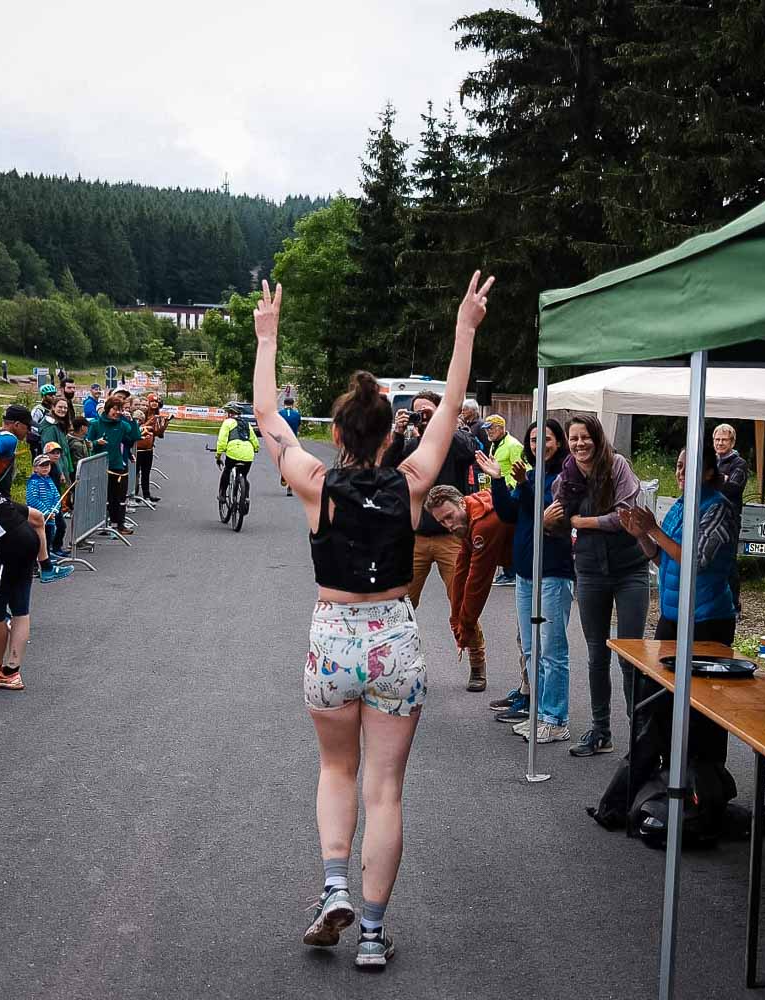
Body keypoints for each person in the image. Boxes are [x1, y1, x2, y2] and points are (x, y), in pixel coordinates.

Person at [252, 271, 493, 966]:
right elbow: (451, 405)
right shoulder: (414, 482)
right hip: (392, 639)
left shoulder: (312, 481)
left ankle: (333, 886)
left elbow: (268, 419)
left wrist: (267, 339)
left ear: (337, 434)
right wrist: (464, 330)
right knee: (385, 790)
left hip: (332, 640)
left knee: (337, 771)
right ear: (391, 437)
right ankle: (376, 934)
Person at [620, 444, 738, 794]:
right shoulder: (681, 505)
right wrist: (641, 535)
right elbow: (662, 558)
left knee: (704, 708)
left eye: (689, 466)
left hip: (707, 620)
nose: (681, 471)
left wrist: (654, 530)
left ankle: (706, 783)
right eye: (678, 464)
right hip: (673, 615)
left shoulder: (718, 508)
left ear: (708, 472)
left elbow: (696, 560)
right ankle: (669, 772)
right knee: (662, 698)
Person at [553, 413, 650, 758]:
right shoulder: (565, 478)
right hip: (591, 570)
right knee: (596, 654)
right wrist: (562, 522)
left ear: (597, 436)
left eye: (585, 437)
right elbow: (559, 519)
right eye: (574, 438)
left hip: (630, 570)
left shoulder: (618, 466)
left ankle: (641, 737)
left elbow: (624, 517)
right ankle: (601, 731)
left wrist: (581, 521)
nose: (580, 444)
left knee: (629, 655)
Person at [477, 418, 575, 744]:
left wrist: (527, 486)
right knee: (532, 648)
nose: (539, 445)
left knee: (552, 649)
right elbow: (509, 513)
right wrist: (498, 481)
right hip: (525, 572)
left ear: (558, 442)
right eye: (534, 440)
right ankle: (539, 713)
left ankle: (555, 718)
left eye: (546, 439)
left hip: (552, 572)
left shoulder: (564, 478)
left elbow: (549, 514)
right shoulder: (530, 475)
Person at [382, 389, 478, 655]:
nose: (422, 417)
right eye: (418, 412)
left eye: (428, 411)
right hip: (416, 538)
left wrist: (441, 422)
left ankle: (476, 660)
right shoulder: (413, 447)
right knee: (401, 604)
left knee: (462, 603)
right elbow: (387, 471)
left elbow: (470, 450)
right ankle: (397, 659)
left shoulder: (454, 442)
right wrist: (399, 434)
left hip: (451, 537)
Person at [0, 465, 72, 690]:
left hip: (10, 545)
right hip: (27, 540)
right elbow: (35, 516)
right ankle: (11, 671)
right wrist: (45, 563)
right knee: (20, 609)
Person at [424, 484, 514, 692]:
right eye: (442, 522)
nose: (448, 525)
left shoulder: (484, 523)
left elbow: (477, 583)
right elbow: (461, 571)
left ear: (461, 503)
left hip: (541, 569)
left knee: (532, 640)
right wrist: (455, 620)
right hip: (526, 567)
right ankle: (526, 693)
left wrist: (464, 629)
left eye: (449, 516)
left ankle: (534, 701)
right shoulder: (468, 515)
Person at [86, 395, 142, 535]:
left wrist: (132, 421)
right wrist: (96, 443)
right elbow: (87, 444)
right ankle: (102, 524)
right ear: (108, 409)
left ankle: (119, 524)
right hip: (100, 466)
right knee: (103, 496)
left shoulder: (122, 425)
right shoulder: (96, 424)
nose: (118, 412)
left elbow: (134, 438)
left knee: (119, 497)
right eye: (115, 409)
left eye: (120, 410)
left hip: (118, 466)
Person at [483, 414, 524, 586]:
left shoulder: (513, 445)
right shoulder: (495, 445)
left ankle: (512, 572)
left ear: (501, 428)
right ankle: (507, 570)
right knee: (502, 532)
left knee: (509, 533)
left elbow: (523, 468)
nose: (488, 432)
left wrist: (511, 487)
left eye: (491, 428)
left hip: (510, 495)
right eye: (486, 429)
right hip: (497, 493)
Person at [713, 422, 747, 614]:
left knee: (729, 562)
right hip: (711, 517)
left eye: (724, 440)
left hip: (730, 519)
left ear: (732, 442)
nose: (720, 443)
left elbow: (734, 488)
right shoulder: (712, 460)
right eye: (717, 439)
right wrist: (721, 479)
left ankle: (734, 605)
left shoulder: (739, 463)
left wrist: (718, 480)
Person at [216, 402, 259, 504]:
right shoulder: (246, 423)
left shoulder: (227, 423)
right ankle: (245, 498)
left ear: (229, 414)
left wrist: (218, 455)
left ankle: (222, 495)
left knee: (227, 470)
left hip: (233, 452)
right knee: (243, 475)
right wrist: (256, 448)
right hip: (248, 454)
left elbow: (222, 441)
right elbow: (254, 440)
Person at [26, 454, 64, 556]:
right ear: (35, 468)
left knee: (49, 535)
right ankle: (41, 558)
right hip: (39, 517)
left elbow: (57, 497)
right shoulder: (33, 482)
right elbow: (32, 499)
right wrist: (46, 512)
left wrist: (53, 510)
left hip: (50, 517)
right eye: (42, 466)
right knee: (40, 538)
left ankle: (47, 554)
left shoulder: (49, 480)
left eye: (47, 466)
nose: (45, 468)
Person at [137, 395, 170, 502]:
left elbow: (157, 433)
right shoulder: (140, 415)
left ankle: (146, 495)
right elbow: (139, 429)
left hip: (148, 448)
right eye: (152, 401)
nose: (154, 404)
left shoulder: (156, 415)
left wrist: (164, 425)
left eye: (156, 402)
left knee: (146, 473)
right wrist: (150, 423)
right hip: (138, 448)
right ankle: (134, 495)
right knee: (136, 473)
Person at [278, 396, 301, 495]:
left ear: (284, 404)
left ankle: (283, 474)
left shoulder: (280, 414)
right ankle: (290, 487)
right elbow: (298, 427)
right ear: (293, 404)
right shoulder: (297, 414)